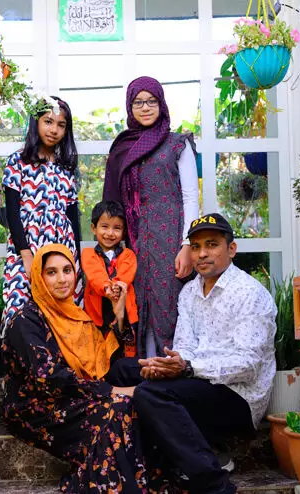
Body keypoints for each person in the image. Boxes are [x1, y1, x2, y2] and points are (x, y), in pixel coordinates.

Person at [107, 213, 277, 494]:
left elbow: (248, 366)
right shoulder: (189, 292)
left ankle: (215, 484)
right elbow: (184, 347)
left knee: (152, 394)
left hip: (238, 396)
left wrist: (187, 368)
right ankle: (195, 451)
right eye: (195, 247)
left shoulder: (250, 293)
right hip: (198, 380)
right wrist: (165, 366)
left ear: (231, 249)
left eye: (212, 244)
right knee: (123, 369)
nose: (202, 254)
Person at [2, 243, 154, 493]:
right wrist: (112, 391)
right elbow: (49, 377)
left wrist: (119, 315)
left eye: (67, 270)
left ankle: (131, 480)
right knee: (117, 407)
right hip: (36, 406)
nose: (62, 279)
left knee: (133, 401)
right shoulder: (25, 320)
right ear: (38, 277)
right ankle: (108, 485)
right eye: (51, 272)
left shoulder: (76, 315)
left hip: (73, 395)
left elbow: (102, 361)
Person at [102, 76, 200, 358]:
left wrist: (187, 245)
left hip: (170, 242)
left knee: (171, 306)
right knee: (137, 306)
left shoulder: (177, 144)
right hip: (134, 245)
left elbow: (190, 197)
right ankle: (145, 372)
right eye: (138, 102)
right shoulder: (124, 147)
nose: (145, 107)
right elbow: (112, 202)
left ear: (162, 104)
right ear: (129, 107)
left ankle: (176, 370)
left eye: (151, 101)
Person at [0, 96, 84, 336]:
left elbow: (73, 219)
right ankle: (24, 359)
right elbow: (12, 213)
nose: (54, 129)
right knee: (19, 307)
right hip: (27, 247)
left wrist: (76, 261)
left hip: (62, 247)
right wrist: (25, 254)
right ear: (35, 122)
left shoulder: (66, 168)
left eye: (61, 125)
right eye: (48, 122)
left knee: (62, 315)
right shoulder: (18, 161)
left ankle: (58, 359)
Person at [81, 200, 139, 358]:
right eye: (104, 226)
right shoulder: (88, 254)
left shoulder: (128, 254)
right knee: (100, 353)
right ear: (94, 228)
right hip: (98, 315)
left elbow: (126, 274)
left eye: (117, 228)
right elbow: (95, 274)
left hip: (123, 312)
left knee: (124, 354)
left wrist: (117, 287)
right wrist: (106, 287)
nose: (110, 233)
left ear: (123, 231)